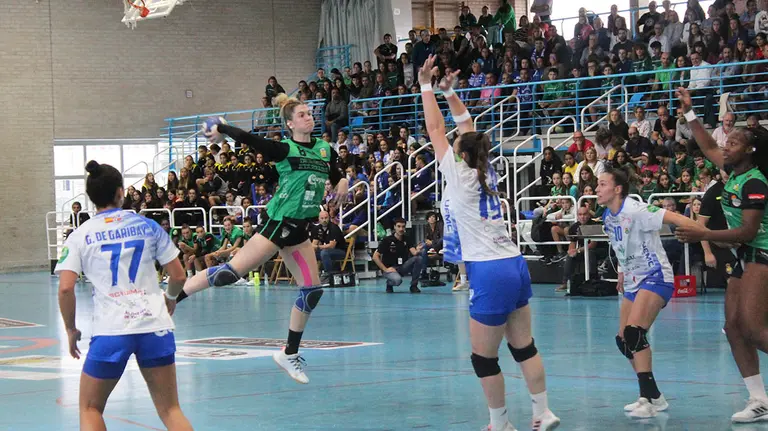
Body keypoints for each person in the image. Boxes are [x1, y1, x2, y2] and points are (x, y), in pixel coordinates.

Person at [419, 54, 560, 431]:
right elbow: (467, 127)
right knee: (523, 345)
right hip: (514, 261)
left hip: (488, 268)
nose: (449, 143)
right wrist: (452, 94)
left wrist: (426, 86)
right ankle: (543, 412)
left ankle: (500, 423)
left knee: (483, 358)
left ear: (460, 154)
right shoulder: (486, 167)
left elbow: (436, 130)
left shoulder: (460, 172)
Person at [175, 94, 349, 385]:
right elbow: (250, 139)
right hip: (277, 223)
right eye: (303, 114)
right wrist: (224, 128)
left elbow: (336, 171)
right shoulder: (284, 149)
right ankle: (171, 298)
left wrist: (342, 179)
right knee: (230, 274)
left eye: (310, 113)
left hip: (299, 230)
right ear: (291, 123)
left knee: (312, 291)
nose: (309, 117)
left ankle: (288, 353)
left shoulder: (323, 149)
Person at [56, 161, 192, 431]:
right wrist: (170, 298)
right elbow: (178, 276)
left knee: (90, 407)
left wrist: (71, 329)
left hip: (112, 329)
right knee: (171, 409)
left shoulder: (80, 235)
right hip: (155, 325)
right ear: (121, 192)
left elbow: (66, 287)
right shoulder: (148, 226)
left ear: (91, 197)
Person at [674, 87, 768, 423]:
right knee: (733, 326)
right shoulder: (732, 170)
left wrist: (704, 235)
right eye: (727, 142)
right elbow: (708, 144)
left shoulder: (755, 182)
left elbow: (748, 232)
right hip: (746, 255)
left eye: (734, 143)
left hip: (763, 253)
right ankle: (759, 399)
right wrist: (688, 112)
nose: (726, 147)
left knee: (756, 329)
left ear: (750, 151)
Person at [596, 168, 706, 418]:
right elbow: (620, 245)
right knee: (624, 341)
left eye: (602, 184)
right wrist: (622, 271)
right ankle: (652, 395)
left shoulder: (637, 210)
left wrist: (704, 236)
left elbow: (676, 218)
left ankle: (648, 400)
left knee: (635, 333)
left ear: (617, 189)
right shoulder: (608, 216)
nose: (596, 189)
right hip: (633, 280)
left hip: (655, 276)